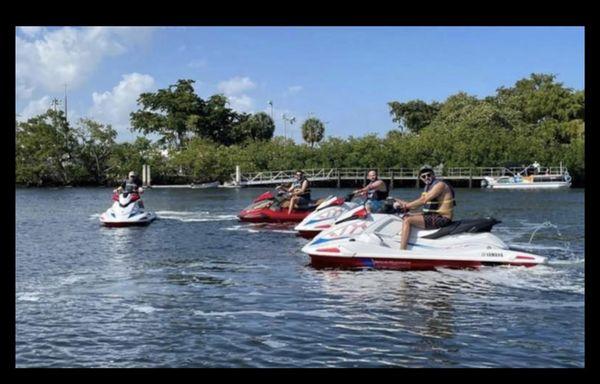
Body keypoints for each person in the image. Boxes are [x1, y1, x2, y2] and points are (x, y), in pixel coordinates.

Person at [393, 165, 456, 250]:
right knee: (408, 215)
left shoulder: (440, 185)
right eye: (423, 176)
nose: (426, 177)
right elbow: (416, 206)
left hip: (443, 219)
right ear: (420, 178)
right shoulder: (428, 187)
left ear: (433, 175)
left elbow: (423, 200)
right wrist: (396, 200)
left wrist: (405, 206)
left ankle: (402, 251)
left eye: (429, 175)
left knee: (408, 220)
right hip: (434, 215)